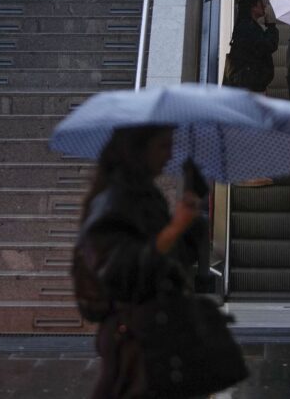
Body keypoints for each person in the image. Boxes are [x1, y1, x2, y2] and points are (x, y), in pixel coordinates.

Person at [75, 126, 203, 398]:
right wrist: (173, 230)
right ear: (139, 150)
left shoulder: (145, 195)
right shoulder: (115, 200)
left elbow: (173, 259)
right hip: (134, 334)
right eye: (163, 147)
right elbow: (119, 271)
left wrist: (191, 224)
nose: (170, 156)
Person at [223, 0, 278, 93]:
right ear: (253, 7)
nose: (264, 6)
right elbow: (269, 45)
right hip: (249, 87)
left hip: (248, 85)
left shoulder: (247, 26)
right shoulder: (248, 28)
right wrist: (271, 26)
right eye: (260, 2)